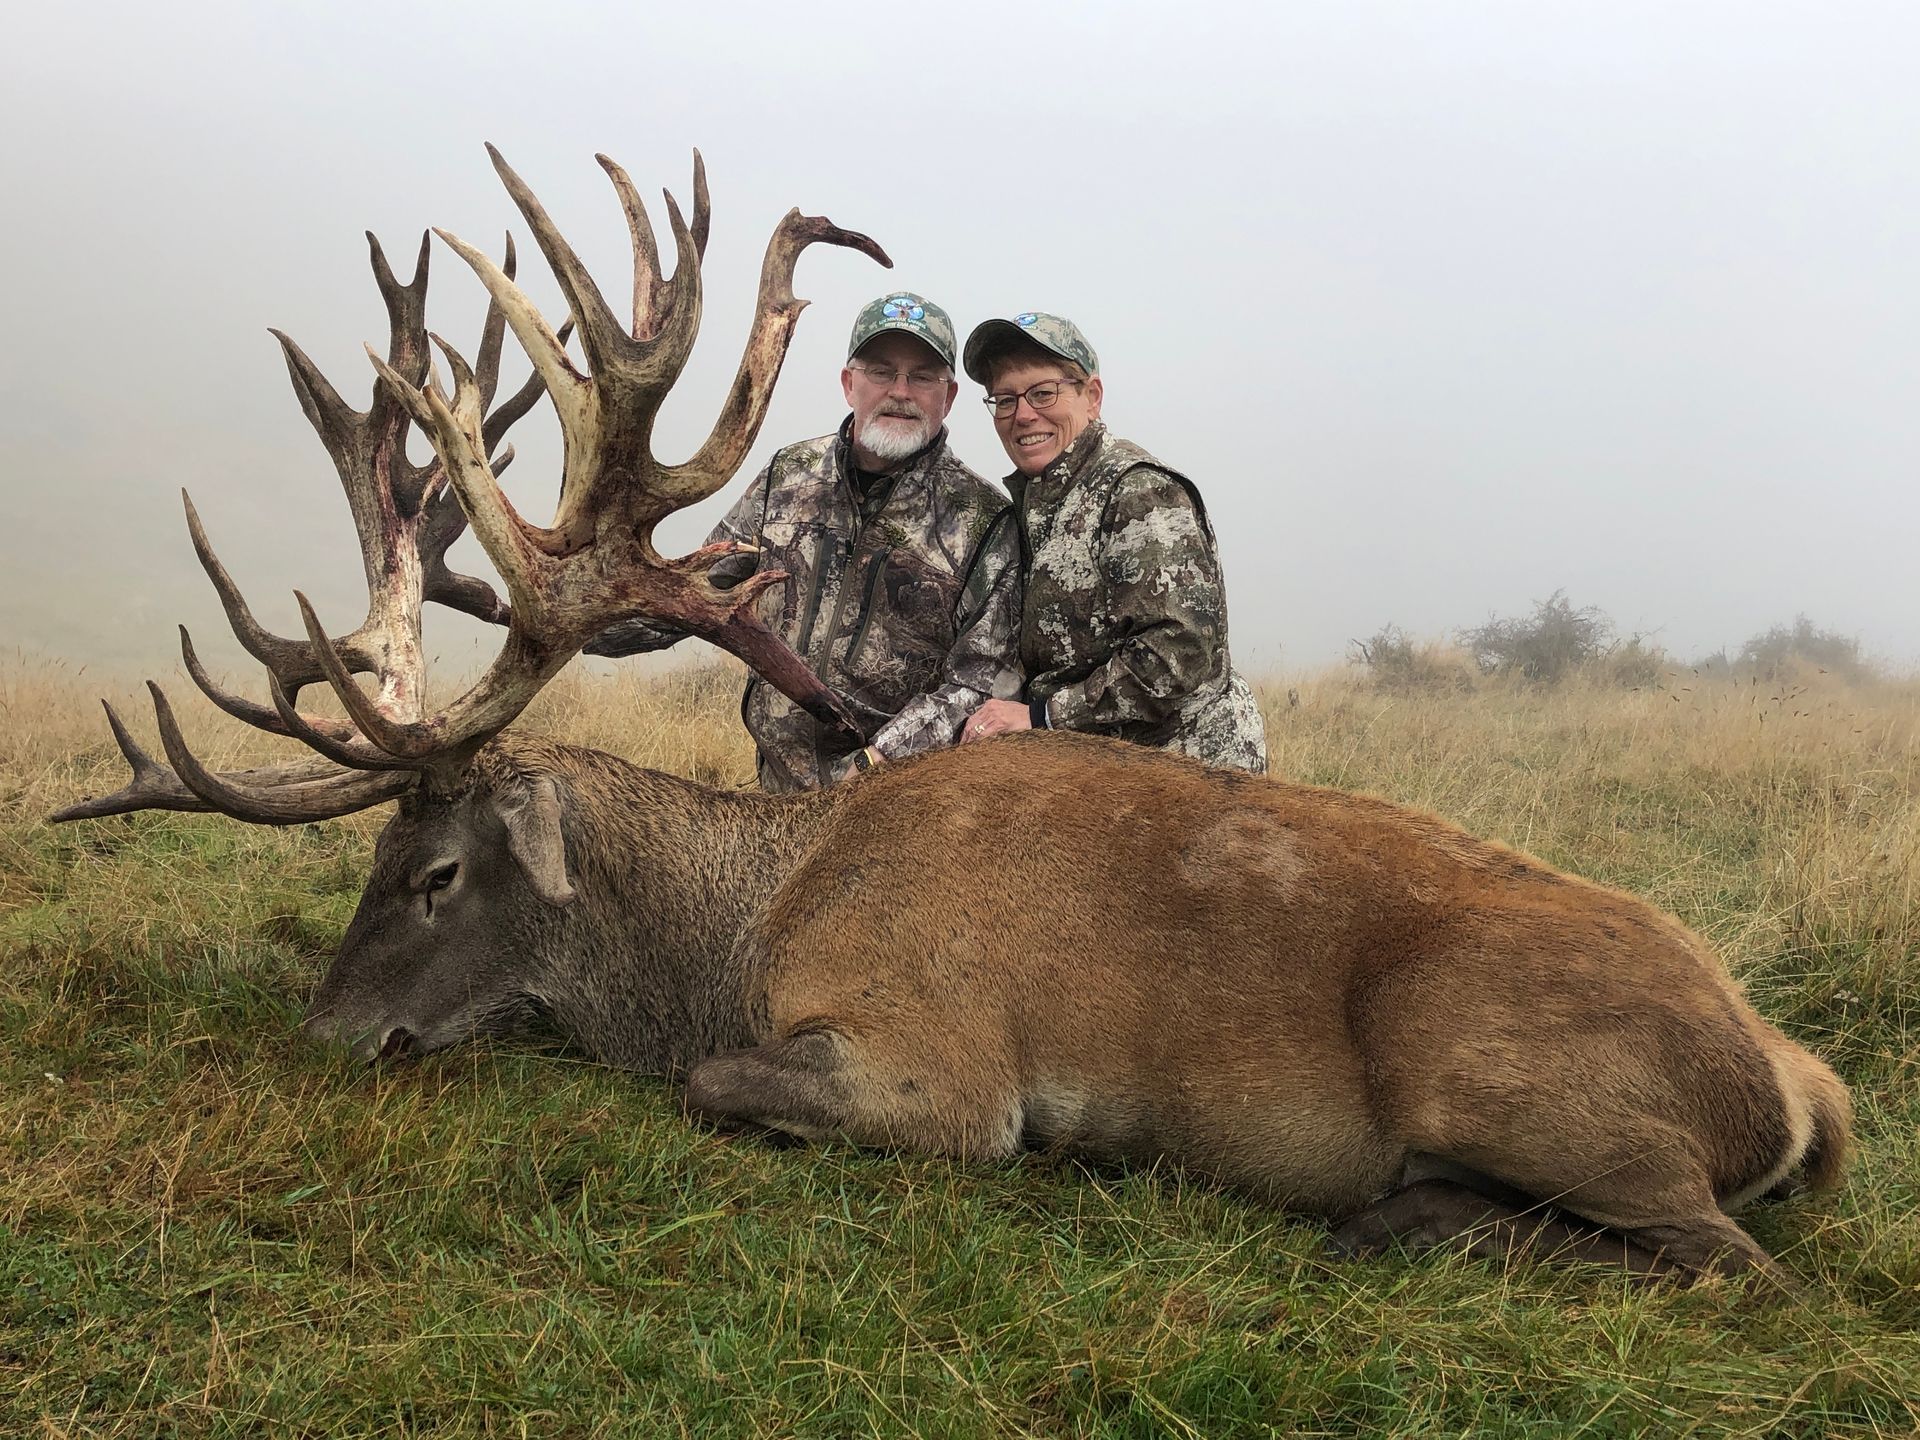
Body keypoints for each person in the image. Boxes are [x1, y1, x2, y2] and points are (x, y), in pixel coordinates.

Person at [587, 293, 1023, 792]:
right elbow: (696, 592)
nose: (900, 391)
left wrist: (872, 766)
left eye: (922, 377)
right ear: (848, 384)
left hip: (900, 804)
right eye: (881, 372)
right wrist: (593, 618)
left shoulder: (984, 519)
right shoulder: (787, 475)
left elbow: (979, 681)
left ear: (947, 399)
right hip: (772, 796)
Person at [957, 312, 1267, 773]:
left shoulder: (1139, 492)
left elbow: (1179, 653)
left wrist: (1043, 717)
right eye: (1004, 399)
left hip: (1184, 773)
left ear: (1092, 397)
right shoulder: (1034, 504)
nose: (1023, 414)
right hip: (1095, 770)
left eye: (1043, 393)